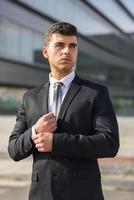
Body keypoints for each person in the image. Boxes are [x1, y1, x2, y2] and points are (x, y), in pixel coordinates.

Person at [8, 22, 119, 200]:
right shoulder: (30, 97)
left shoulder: (96, 93)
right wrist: (35, 131)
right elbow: (14, 150)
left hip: (82, 193)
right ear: (45, 51)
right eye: (60, 45)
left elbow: (109, 143)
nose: (67, 51)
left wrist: (56, 142)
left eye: (72, 46)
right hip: (41, 194)